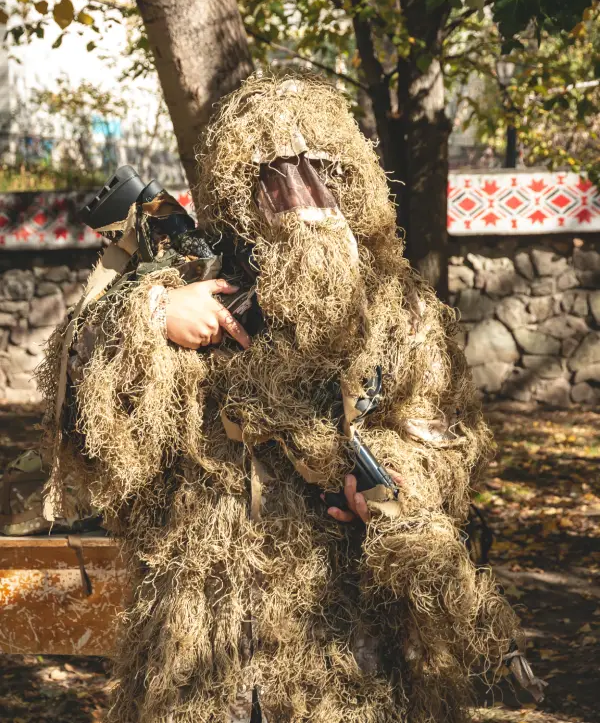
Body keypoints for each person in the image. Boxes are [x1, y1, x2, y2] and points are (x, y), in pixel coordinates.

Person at [39, 75, 542, 723]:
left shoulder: (398, 308)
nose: (299, 197)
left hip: (347, 651)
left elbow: (445, 441)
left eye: (321, 170)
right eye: (272, 177)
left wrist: (391, 487)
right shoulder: (196, 285)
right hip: (202, 651)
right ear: (239, 191)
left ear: (353, 177)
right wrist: (154, 313)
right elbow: (76, 424)